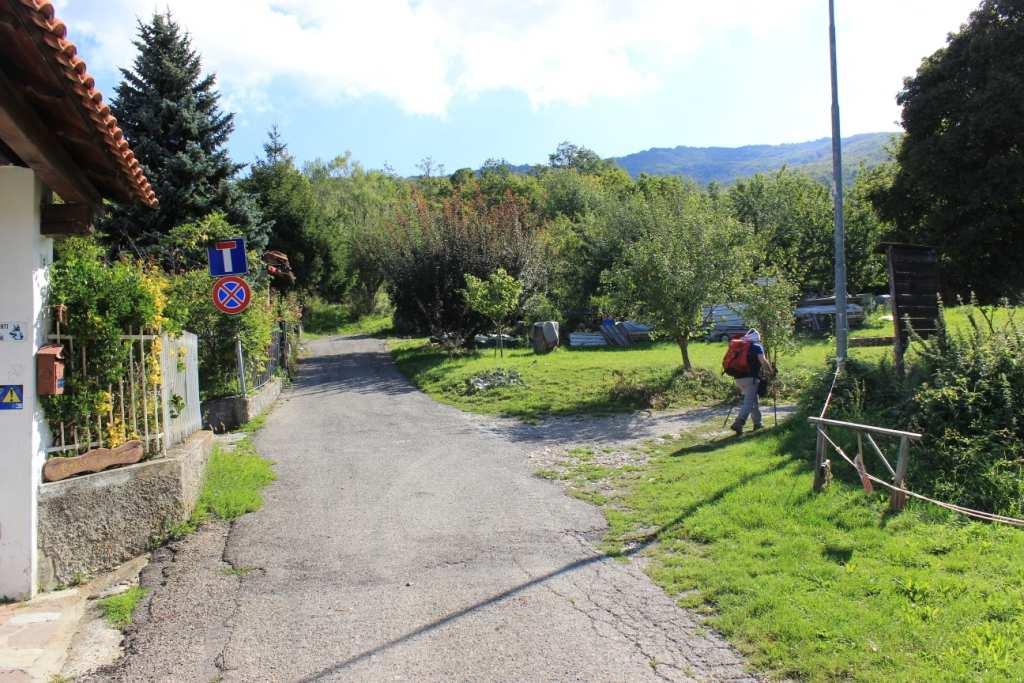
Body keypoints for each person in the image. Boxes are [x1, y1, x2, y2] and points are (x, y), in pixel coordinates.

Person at [730, 329, 772, 436]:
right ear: (757, 338)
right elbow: (762, 361)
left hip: (738, 379)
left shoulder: (741, 346)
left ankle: (757, 423)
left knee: (753, 400)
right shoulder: (756, 347)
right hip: (751, 379)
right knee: (749, 402)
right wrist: (770, 371)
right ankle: (738, 422)